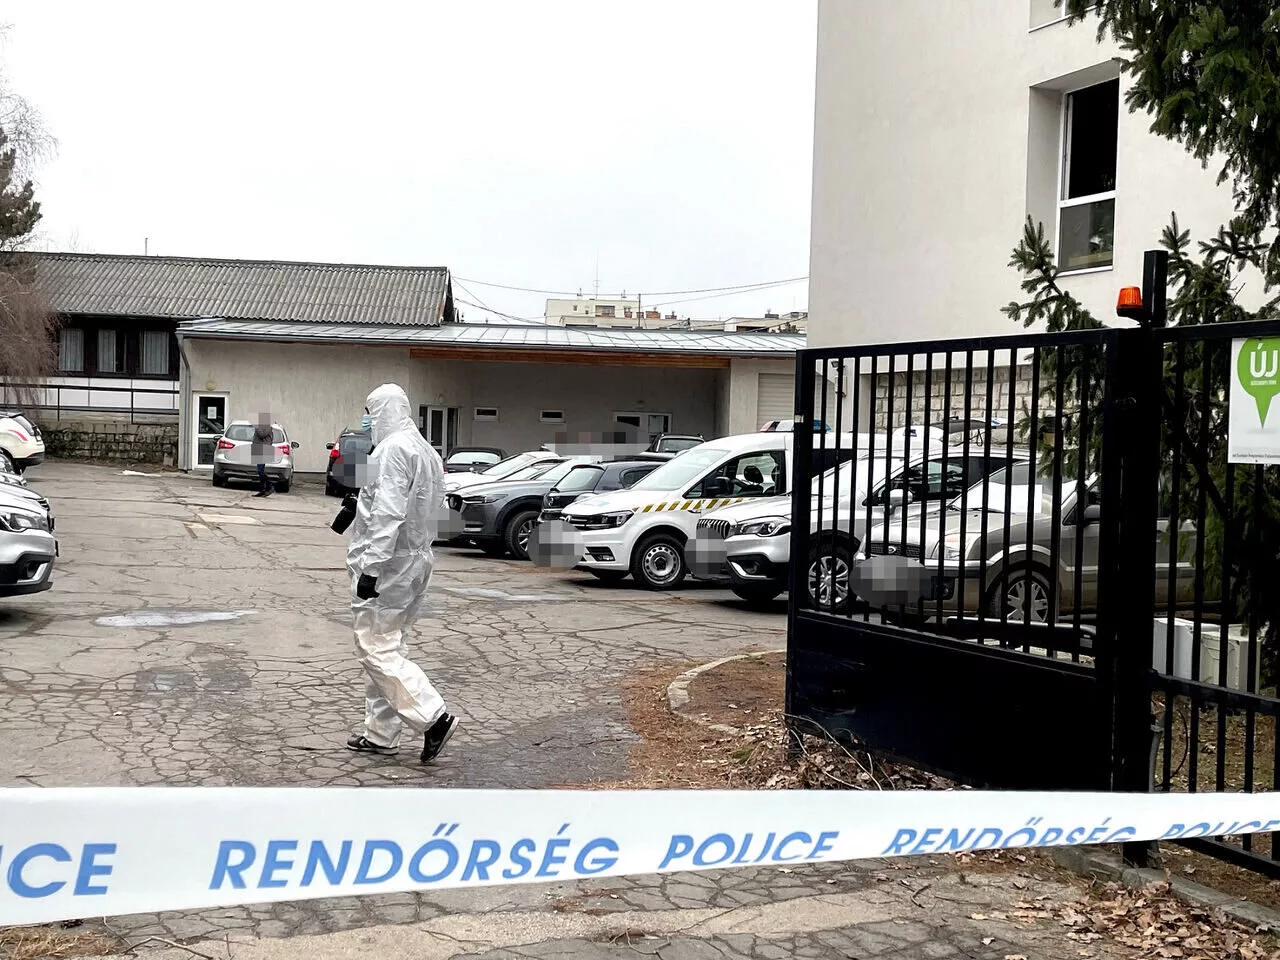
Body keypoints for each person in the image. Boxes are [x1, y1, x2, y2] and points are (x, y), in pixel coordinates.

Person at [344, 383, 458, 763]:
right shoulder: (425, 449)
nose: (367, 420)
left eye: (370, 412)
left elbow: (389, 513)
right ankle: (381, 734)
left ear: (382, 411)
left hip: (390, 565)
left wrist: (371, 568)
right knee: (390, 646)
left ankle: (434, 718)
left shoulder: (392, 449)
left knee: (374, 647)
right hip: (416, 560)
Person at [251, 416, 274, 497]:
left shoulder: (268, 427)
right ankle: (263, 489)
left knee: (260, 470)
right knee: (260, 470)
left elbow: (262, 434)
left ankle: (270, 486)